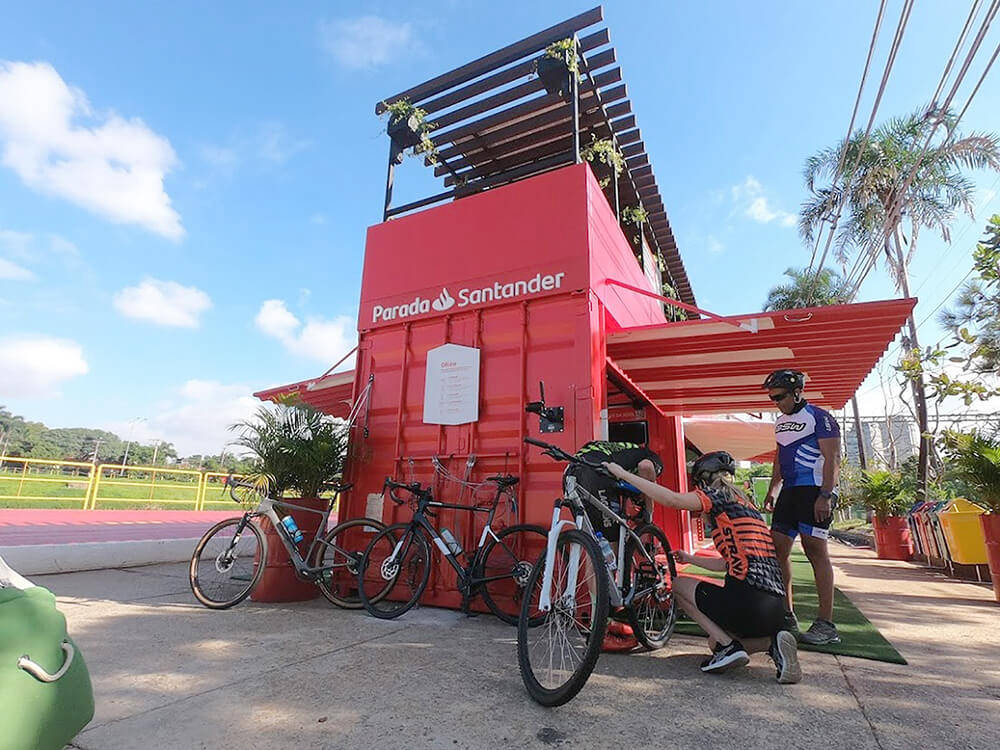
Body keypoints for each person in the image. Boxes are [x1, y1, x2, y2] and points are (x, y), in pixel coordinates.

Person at [605, 451, 801, 683]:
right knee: (712, 643)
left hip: (748, 603)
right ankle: (773, 642)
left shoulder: (715, 496)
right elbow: (725, 563)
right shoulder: (747, 508)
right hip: (775, 609)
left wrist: (622, 474)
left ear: (703, 480)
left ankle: (730, 646)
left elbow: (672, 500)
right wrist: (689, 558)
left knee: (678, 585)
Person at [761, 369, 842, 646]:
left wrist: (826, 495)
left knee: (815, 551)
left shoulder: (820, 418)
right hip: (790, 492)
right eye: (773, 398)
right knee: (778, 548)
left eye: (780, 396)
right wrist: (773, 487)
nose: (777, 402)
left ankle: (826, 624)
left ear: (797, 392)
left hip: (814, 490)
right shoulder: (780, 422)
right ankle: (786, 614)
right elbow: (779, 457)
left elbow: (833, 459)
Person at [566, 440, 663, 541]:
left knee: (593, 542)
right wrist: (648, 513)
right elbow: (646, 468)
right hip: (597, 472)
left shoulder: (619, 450)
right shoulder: (648, 455)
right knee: (611, 539)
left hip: (572, 469)